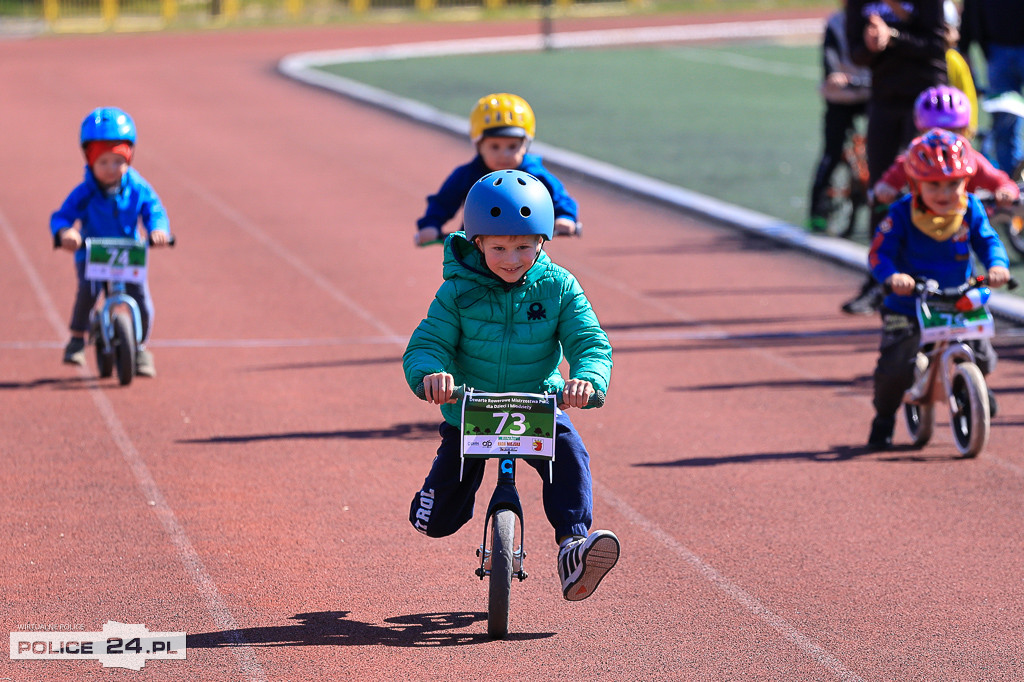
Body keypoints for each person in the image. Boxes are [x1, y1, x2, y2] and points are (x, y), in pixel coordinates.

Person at [404, 169, 618, 601]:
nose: (511, 259)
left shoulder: (559, 287)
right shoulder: (457, 292)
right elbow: (428, 343)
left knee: (571, 455)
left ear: (542, 241)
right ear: (477, 242)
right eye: (498, 248)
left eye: (524, 246)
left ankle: (573, 548)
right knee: (435, 520)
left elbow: (590, 341)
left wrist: (586, 380)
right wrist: (430, 375)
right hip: (471, 407)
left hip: (537, 403)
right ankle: (438, 507)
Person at [866, 129, 1010, 449]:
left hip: (960, 297)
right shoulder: (902, 213)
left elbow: (989, 241)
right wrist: (892, 277)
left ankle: (975, 386)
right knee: (895, 366)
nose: (944, 193)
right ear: (915, 183)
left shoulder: (970, 208)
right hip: (910, 302)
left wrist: (997, 265)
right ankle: (884, 417)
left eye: (953, 183)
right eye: (933, 185)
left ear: (966, 182)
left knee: (983, 356)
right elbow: (879, 253)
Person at [841, 0, 948, 314]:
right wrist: (872, 44)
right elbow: (856, 53)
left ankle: (935, 277)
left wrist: (895, 37)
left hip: (925, 101)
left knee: (929, 186)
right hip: (884, 99)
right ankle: (879, 281)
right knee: (882, 191)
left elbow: (936, 44)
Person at [51, 107, 171, 376]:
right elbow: (62, 216)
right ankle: (77, 339)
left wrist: (158, 230)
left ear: (129, 158)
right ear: (90, 160)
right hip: (93, 252)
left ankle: (140, 347)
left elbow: (154, 209)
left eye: (118, 161)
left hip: (129, 252)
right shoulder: (85, 192)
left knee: (141, 300)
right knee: (88, 292)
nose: (111, 169)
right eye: (103, 162)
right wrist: (65, 233)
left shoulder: (137, 188)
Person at [414, 93, 580, 247]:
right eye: (495, 146)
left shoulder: (534, 175)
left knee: (540, 269)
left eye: (512, 146)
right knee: (458, 268)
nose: (504, 154)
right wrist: (431, 224)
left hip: (524, 249)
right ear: (479, 145)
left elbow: (558, 196)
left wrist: (565, 216)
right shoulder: (468, 174)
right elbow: (443, 201)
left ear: (525, 145)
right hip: (475, 248)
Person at [873, 85, 1019, 205]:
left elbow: (1001, 182)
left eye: (952, 131)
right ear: (922, 131)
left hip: (963, 223)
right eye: (933, 131)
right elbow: (890, 181)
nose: (942, 138)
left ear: (964, 130)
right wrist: (885, 189)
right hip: (919, 223)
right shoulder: (914, 158)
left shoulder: (971, 160)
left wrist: (1006, 191)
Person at [808, 1, 872, 232]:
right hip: (841, 95)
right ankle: (817, 211)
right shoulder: (836, 23)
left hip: (870, 92)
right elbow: (830, 54)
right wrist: (834, 73)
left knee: (884, 147)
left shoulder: (876, 20)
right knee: (831, 153)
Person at [960, 0, 1024, 174]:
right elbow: (970, 12)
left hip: (1009, 50)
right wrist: (964, 46)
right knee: (1005, 124)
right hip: (997, 52)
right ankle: (1011, 181)